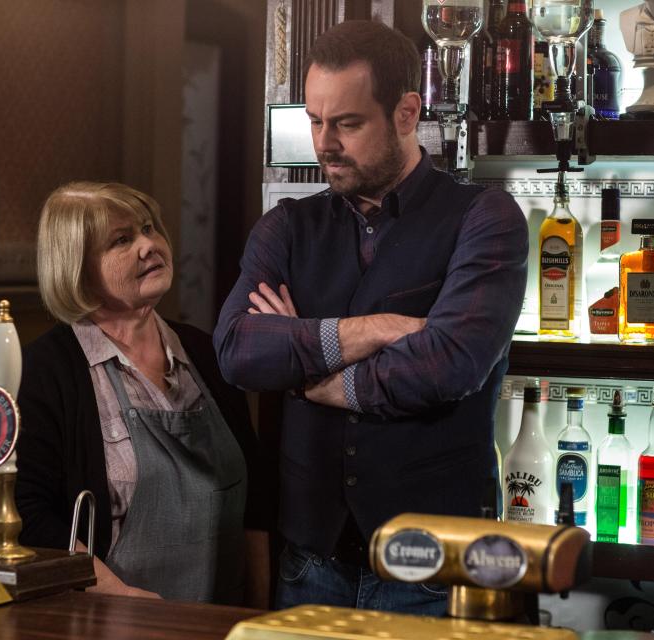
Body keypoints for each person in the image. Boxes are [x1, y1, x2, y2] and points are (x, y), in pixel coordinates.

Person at [213, 20, 527, 615]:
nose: (324, 143)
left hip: (435, 566)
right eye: (315, 121)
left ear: (407, 113)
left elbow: (450, 365)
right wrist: (376, 331)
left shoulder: (484, 219)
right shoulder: (286, 228)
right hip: (310, 560)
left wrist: (310, 374)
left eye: (347, 124)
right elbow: (238, 350)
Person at [15, 182, 269, 606]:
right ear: (77, 267)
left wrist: (263, 614)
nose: (149, 245)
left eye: (149, 228)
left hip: (224, 624)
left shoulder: (207, 351)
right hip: (113, 622)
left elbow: (257, 504)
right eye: (122, 240)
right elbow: (26, 514)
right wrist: (123, 601)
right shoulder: (46, 371)